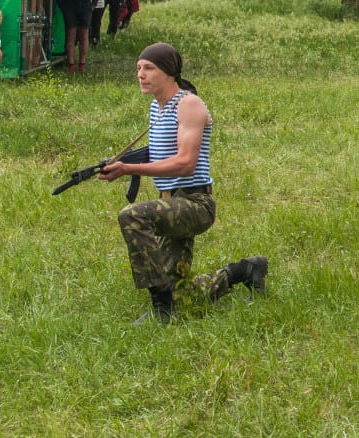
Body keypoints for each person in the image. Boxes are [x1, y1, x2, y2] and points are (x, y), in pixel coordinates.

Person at [102, 43, 267, 323]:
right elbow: (160, 155)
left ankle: (160, 309)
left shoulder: (189, 104)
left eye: (149, 68)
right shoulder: (157, 108)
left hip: (194, 203)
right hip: (169, 201)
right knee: (184, 295)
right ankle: (243, 271)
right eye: (138, 69)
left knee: (132, 216)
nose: (140, 74)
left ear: (169, 71)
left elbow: (185, 162)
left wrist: (129, 167)